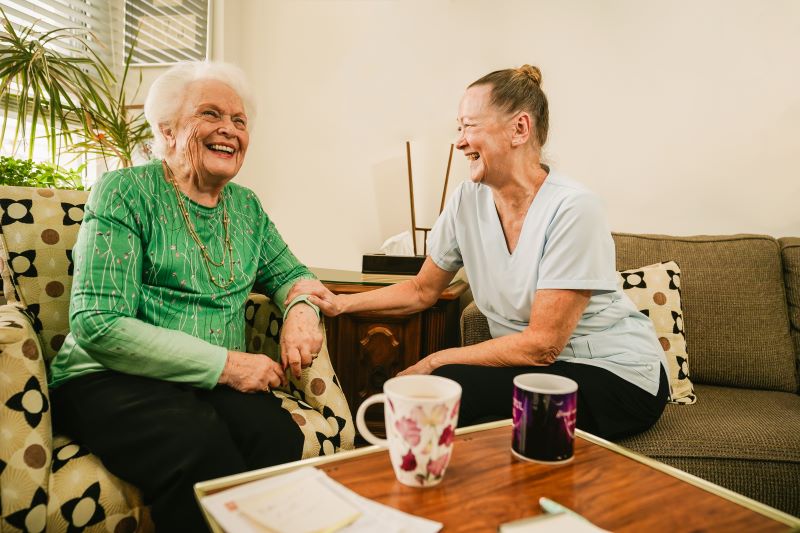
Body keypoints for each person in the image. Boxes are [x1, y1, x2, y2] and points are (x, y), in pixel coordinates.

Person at [288, 64, 669, 440]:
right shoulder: (466, 202)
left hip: (616, 374)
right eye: (459, 127)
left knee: (451, 385)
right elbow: (422, 291)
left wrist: (436, 359)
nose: (459, 141)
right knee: (450, 390)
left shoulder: (574, 209)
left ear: (519, 129)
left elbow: (541, 345)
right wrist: (340, 304)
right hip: (544, 369)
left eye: (470, 126)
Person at [49, 62, 324, 531]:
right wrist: (230, 365)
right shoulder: (125, 192)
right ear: (167, 130)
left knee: (274, 434)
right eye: (210, 114)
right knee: (197, 445)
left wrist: (300, 308)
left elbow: (293, 275)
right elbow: (97, 321)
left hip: (200, 383)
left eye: (239, 121)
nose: (229, 130)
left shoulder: (247, 207)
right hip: (109, 376)